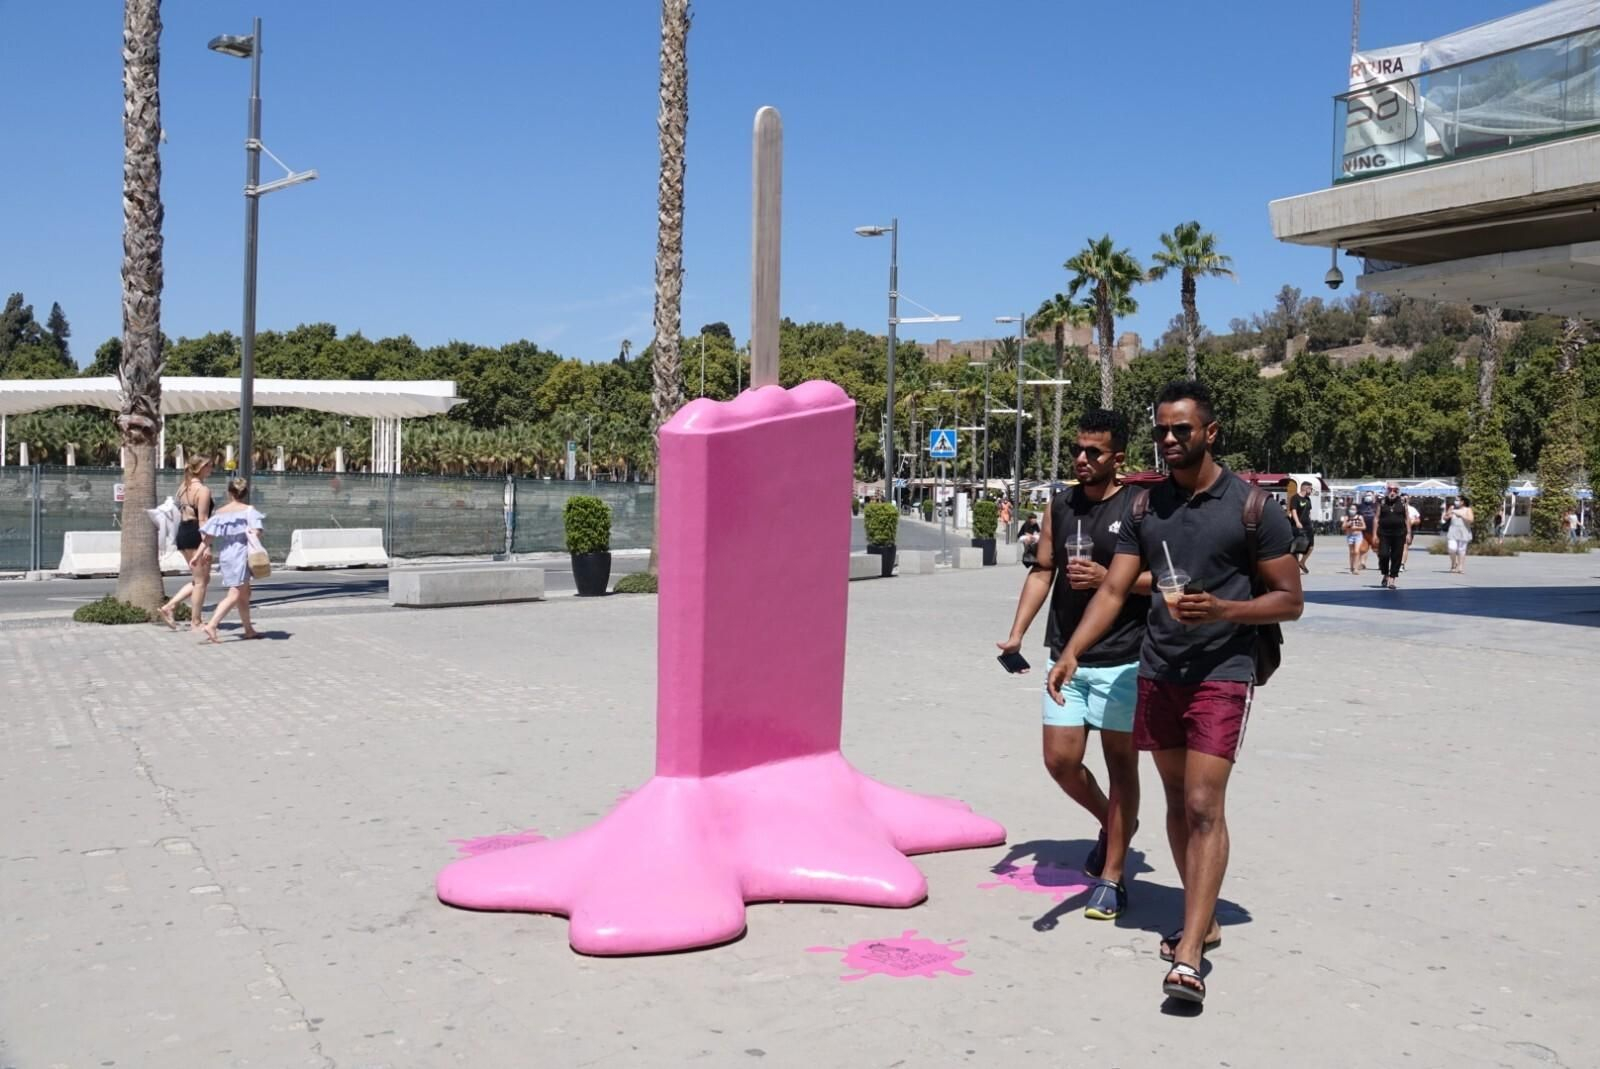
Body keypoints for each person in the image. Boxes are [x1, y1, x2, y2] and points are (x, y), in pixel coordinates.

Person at [1050, 380, 1302, 1004]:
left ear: (1209, 433)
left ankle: (1188, 953)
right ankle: (1203, 913)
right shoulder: (1145, 508)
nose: (1168, 440)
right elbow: (1114, 588)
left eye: (1180, 430)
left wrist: (1223, 609)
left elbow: (1290, 600)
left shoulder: (1251, 507)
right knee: (1171, 799)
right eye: (1161, 429)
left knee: (1201, 805)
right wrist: (1074, 650)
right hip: (1158, 668)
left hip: (1223, 670)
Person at [998, 410, 1152, 922]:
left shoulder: (1138, 506)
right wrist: (1017, 631)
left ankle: (1112, 876)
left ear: (1118, 458)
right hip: (1065, 653)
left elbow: (1164, 578)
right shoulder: (1060, 505)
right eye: (1078, 450)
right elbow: (1044, 570)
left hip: (1124, 658)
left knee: (1120, 765)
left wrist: (1114, 578)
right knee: (1060, 761)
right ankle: (1114, 824)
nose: (1082, 460)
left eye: (1094, 452)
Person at [198, 478, 265, 644]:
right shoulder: (249, 510)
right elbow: (256, 532)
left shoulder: (220, 512)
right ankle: (212, 624)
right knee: (236, 593)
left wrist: (196, 555)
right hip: (241, 553)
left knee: (244, 593)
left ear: (229, 493)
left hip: (226, 553)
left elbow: (208, 537)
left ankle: (248, 629)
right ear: (245, 493)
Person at [158, 456, 215, 630]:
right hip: (195, 535)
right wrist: (206, 546)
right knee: (200, 582)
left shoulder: (183, 487)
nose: (212, 469)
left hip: (183, 532)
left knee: (201, 579)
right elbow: (203, 520)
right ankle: (195, 621)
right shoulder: (203, 490)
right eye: (209, 466)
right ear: (202, 468)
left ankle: (171, 606)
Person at [1375, 483, 1409, 590]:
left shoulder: (1403, 502)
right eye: (1390, 490)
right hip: (1384, 533)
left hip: (1399, 533)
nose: (1392, 492)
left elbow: (1407, 518)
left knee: (1396, 556)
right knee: (1383, 554)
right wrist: (1374, 534)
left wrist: (1409, 534)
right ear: (1387, 490)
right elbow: (1376, 518)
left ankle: (1392, 578)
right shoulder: (1382, 502)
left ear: (1398, 492)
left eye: (1395, 490)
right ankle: (1385, 573)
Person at [1288, 480, 1315, 574]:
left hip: (1308, 526)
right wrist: (1297, 522)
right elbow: (1293, 511)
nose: (1311, 490)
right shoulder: (1295, 498)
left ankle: (1302, 562)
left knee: (1310, 547)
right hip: (1297, 526)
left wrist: (1310, 523)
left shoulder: (1308, 499)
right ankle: (1295, 566)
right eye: (1311, 489)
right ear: (1306, 488)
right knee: (1299, 547)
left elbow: (1309, 512)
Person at [1444, 496, 1474, 574]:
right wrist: (1449, 513)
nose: (1456, 501)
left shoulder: (1468, 509)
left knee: (1462, 550)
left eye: (1457, 500)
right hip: (1453, 530)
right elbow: (1445, 517)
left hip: (1464, 531)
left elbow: (1471, 520)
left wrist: (1461, 515)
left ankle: (1460, 567)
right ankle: (1454, 563)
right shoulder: (1452, 508)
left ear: (1462, 501)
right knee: (1452, 548)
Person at [1356, 492, 1378, 571]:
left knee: (1377, 548)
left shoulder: (1377, 506)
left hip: (1375, 531)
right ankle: (1362, 563)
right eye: (1367, 495)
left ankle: (1381, 563)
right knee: (1363, 549)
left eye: (1370, 495)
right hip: (1363, 531)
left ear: (1373, 497)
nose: (1368, 496)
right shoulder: (1360, 506)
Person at [1341, 504, 1366, 574]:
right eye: (1351, 509)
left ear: (1356, 510)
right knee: (1352, 552)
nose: (1352, 510)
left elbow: (1364, 527)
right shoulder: (1347, 517)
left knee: (1356, 551)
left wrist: (1356, 528)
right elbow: (1342, 527)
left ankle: (1356, 568)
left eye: (1354, 509)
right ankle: (1351, 566)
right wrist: (1347, 525)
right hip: (1350, 536)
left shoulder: (1359, 517)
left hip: (1358, 535)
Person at [1401, 495, 1421, 572]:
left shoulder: (1412, 509)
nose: (1404, 500)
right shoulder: (1395, 507)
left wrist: (1413, 521)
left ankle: (1402, 564)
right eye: (1403, 498)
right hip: (1396, 529)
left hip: (1407, 530)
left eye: (1406, 498)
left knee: (1405, 547)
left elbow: (1418, 520)